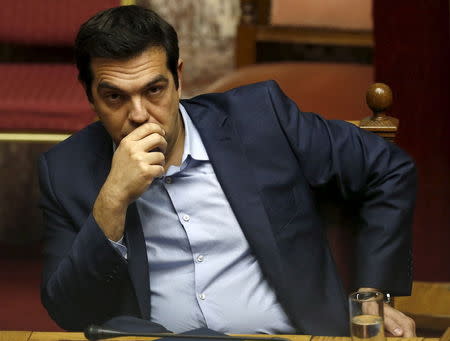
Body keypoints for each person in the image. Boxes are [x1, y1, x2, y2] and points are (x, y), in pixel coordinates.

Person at [38, 5, 417, 337]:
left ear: (178, 78)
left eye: (154, 90)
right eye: (115, 96)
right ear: (89, 96)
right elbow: (70, 314)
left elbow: (388, 167)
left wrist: (375, 295)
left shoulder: (261, 118)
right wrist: (112, 201)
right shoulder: (65, 172)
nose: (139, 114)